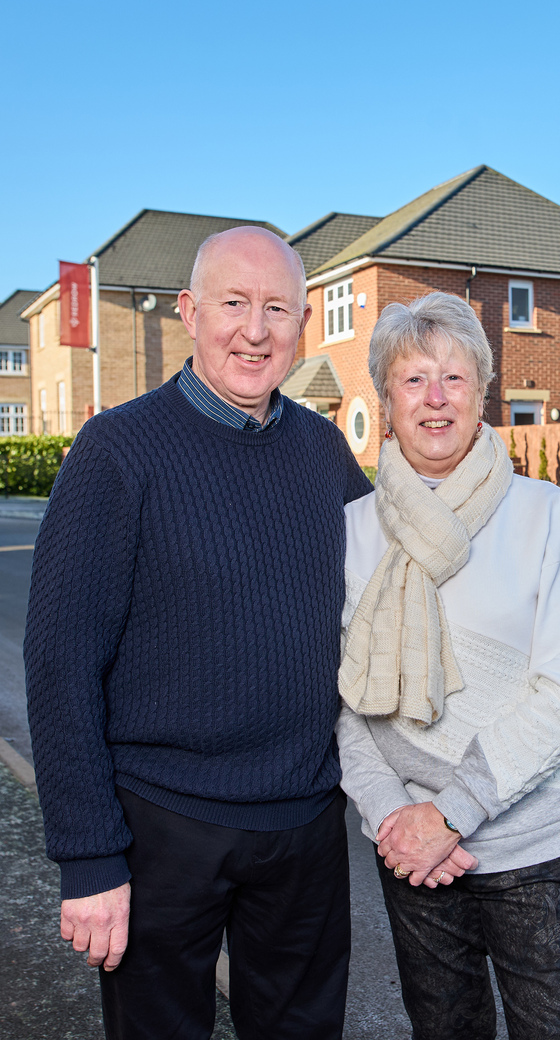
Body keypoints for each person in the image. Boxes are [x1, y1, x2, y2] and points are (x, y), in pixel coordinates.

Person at [24, 226, 370, 1040]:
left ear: (304, 321)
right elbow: (60, 663)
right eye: (234, 304)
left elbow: (395, 594)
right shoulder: (117, 452)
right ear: (188, 311)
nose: (255, 330)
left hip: (305, 827)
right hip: (163, 831)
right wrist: (89, 859)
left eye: (277, 308)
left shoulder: (323, 451)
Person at [336, 291, 560, 1040]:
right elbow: (344, 704)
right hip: (416, 859)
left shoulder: (544, 516)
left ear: (481, 392)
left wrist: (450, 813)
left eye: (454, 378)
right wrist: (394, 816)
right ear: (385, 398)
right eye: (413, 379)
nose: (434, 399)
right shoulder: (353, 531)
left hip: (534, 853)